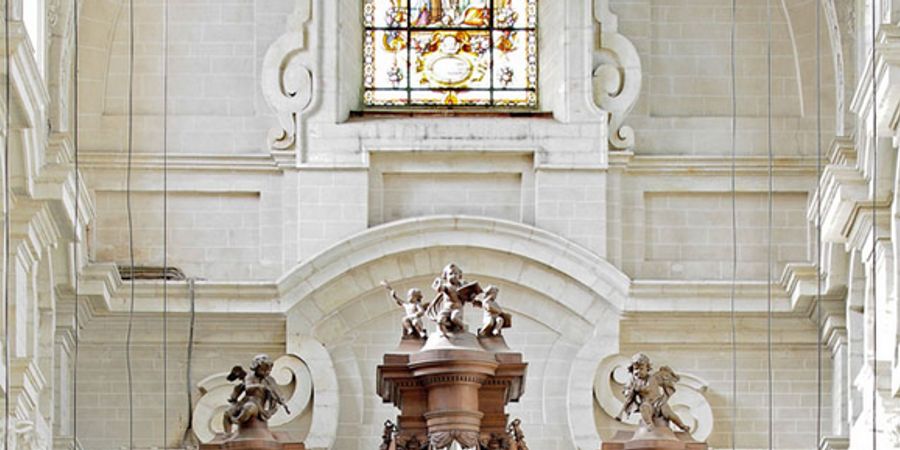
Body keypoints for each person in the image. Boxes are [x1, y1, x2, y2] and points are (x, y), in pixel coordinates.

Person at [223, 354, 290, 435]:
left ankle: (237, 420)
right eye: (263, 369)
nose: (266, 372)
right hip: (245, 401)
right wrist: (260, 386)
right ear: (256, 367)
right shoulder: (249, 377)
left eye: (268, 370)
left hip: (258, 404)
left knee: (249, 408)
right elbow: (247, 387)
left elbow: (277, 393)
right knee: (227, 412)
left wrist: (283, 403)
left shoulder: (270, 380)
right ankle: (227, 434)